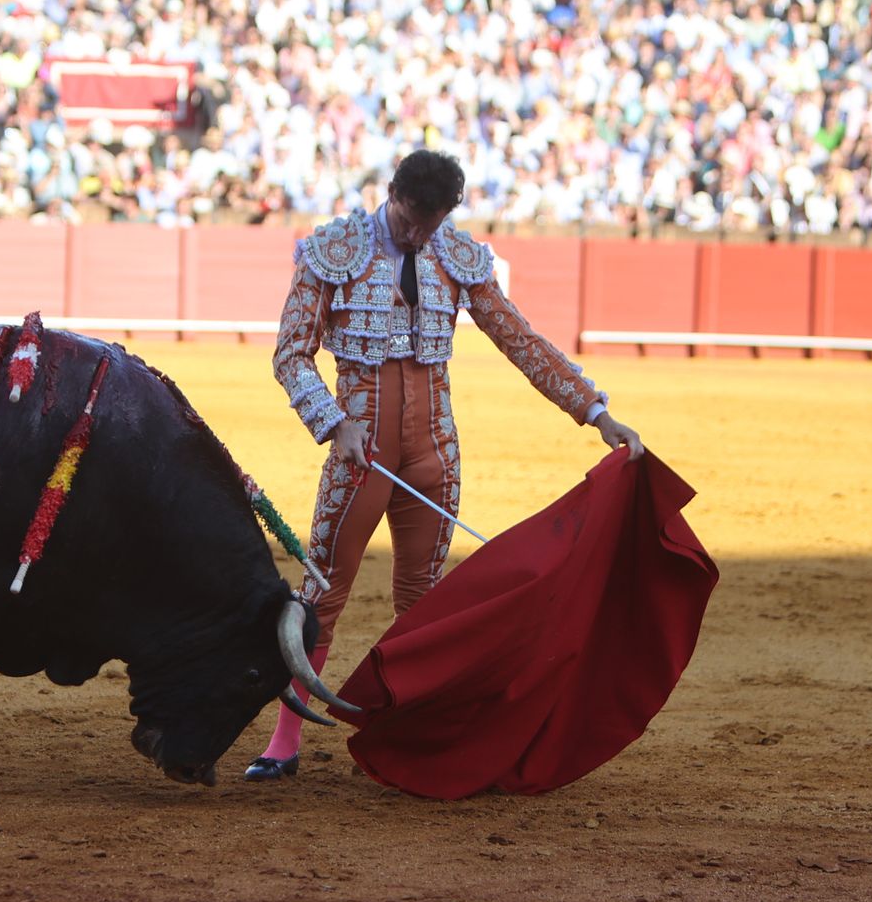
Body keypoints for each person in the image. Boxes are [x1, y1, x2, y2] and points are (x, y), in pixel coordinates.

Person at [246, 150, 645, 781]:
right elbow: (290, 356)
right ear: (393, 193)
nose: (418, 233)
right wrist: (332, 421)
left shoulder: (455, 256)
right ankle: (284, 741)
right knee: (322, 592)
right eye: (411, 217)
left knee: (426, 604)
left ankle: (419, 742)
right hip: (363, 455)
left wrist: (596, 413)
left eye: (432, 222)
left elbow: (521, 341)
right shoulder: (334, 249)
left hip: (435, 456)